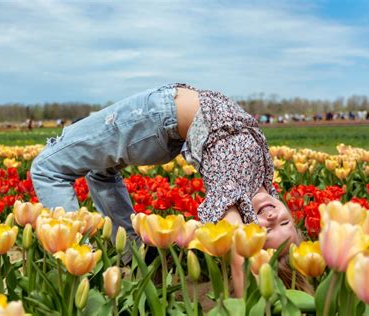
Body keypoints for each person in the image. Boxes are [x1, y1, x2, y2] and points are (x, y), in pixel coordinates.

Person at [30, 83, 301, 292]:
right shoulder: (260, 183)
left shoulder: (230, 190)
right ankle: (136, 259)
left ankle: (79, 270)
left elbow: (239, 254)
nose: (272, 218)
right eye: (285, 222)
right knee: (101, 173)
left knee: (47, 168)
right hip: (165, 123)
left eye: (266, 230)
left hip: (153, 117)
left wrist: (247, 299)